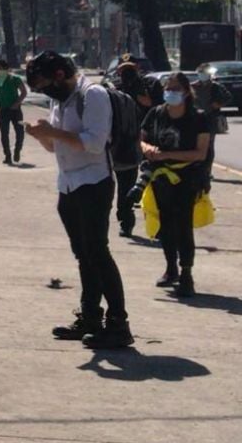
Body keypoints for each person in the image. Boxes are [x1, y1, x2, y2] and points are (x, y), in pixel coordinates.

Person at [24, 51, 132, 349]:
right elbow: (54, 146)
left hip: (94, 183)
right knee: (83, 255)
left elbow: (95, 144)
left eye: (44, 84)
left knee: (98, 253)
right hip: (69, 185)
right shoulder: (60, 100)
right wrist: (41, 135)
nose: (43, 91)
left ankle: (119, 324)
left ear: (59, 74)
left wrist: (52, 131)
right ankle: (90, 318)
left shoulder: (93, 95)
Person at [138, 72, 210, 298]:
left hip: (186, 180)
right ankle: (171, 269)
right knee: (165, 225)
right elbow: (141, 137)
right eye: (168, 88)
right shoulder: (156, 113)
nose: (171, 92)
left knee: (183, 226)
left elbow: (200, 153)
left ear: (187, 92)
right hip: (160, 179)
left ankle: (186, 273)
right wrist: (146, 148)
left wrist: (166, 155)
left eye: (176, 88)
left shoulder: (198, 118)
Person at [110, 62, 153, 236]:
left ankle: (134, 221)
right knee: (119, 188)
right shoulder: (114, 90)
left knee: (135, 186)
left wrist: (138, 93)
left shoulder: (147, 86)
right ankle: (125, 220)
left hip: (138, 140)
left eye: (129, 71)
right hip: (116, 143)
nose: (126, 75)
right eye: (123, 72)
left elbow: (151, 104)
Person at [191, 64, 231, 194]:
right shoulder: (193, 86)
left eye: (205, 73)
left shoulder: (216, 87)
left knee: (209, 147)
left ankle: (207, 171)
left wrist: (218, 104)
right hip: (195, 120)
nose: (203, 75)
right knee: (194, 145)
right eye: (201, 72)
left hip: (210, 120)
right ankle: (196, 169)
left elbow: (228, 97)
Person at [0, 60, 27, 166]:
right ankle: (7, 155)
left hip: (15, 110)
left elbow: (23, 92)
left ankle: (17, 149)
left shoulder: (15, 79)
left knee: (20, 132)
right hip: (2, 110)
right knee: (4, 134)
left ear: (5, 69)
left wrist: (17, 103)